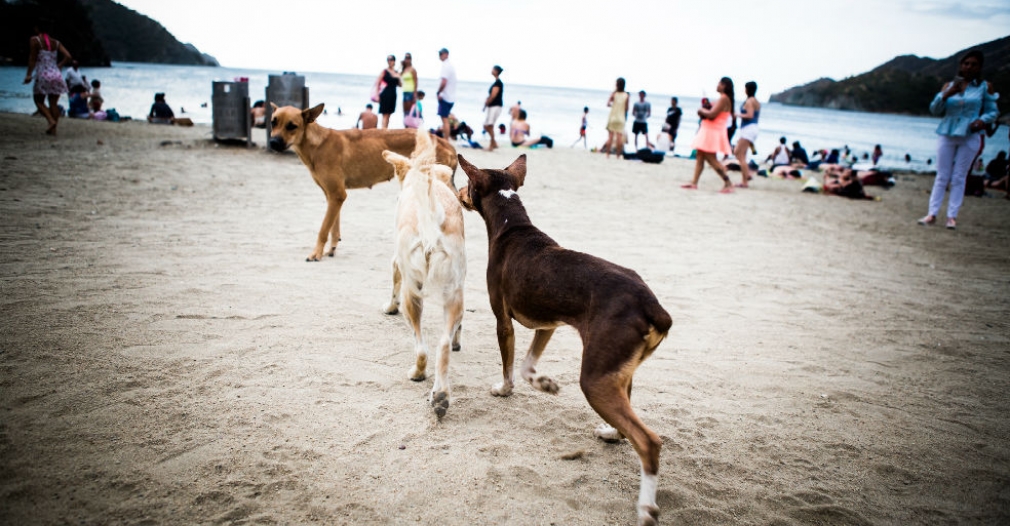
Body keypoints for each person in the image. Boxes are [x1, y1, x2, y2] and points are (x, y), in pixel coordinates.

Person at [918, 49, 999, 230]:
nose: (969, 67)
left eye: (973, 64)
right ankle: (932, 214)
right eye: (966, 63)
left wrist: (982, 120)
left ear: (979, 67)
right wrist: (946, 94)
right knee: (942, 175)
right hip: (947, 132)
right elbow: (935, 109)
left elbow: (993, 111)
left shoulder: (984, 87)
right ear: (961, 65)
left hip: (970, 133)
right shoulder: (949, 85)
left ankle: (952, 216)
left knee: (959, 176)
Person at [682, 77, 735, 193]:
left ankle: (728, 183)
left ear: (724, 86)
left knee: (711, 159)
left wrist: (701, 110)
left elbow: (712, 114)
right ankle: (694, 182)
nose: (717, 85)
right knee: (700, 156)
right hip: (710, 130)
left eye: (719, 83)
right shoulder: (723, 99)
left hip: (713, 131)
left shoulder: (724, 98)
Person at [23, 25, 72, 135]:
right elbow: (68, 56)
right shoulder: (56, 43)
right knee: (53, 103)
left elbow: (32, 58)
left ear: (37, 29)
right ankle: (53, 130)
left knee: (39, 101)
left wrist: (29, 74)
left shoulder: (35, 40)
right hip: (56, 75)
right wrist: (60, 65)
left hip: (42, 74)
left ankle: (50, 121)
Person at [733, 81, 760, 187]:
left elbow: (750, 115)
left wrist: (737, 115)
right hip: (753, 128)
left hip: (748, 128)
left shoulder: (749, 101)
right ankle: (746, 176)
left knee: (738, 153)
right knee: (743, 154)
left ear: (747, 89)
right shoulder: (756, 101)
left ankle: (745, 179)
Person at [435, 47, 458, 142]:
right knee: (445, 119)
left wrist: (439, 92)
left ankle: (446, 140)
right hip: (451, 97)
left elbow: (444, 81)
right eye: (439, 54)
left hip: (446, 97)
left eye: (441, 54)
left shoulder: (446, 66)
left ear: (446, 54)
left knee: (445, 120)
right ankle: (446, 139)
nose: (439, 56)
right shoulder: (450, 66)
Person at [375, 54, 401, 129]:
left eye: (391, 59)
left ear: (394, 61)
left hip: (393, 94)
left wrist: (399, 77)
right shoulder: (384, 71)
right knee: (385, 114)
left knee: (389, 114)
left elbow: (400, 85)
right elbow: (378, 83)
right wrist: (377, 95)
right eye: (388, 60)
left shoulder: (396, 72)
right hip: (385, 94)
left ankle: (385, 129)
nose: (389, 61)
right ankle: (383, 130)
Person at [605, 77, 629, 159]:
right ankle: (618, 155)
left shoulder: (614, 94)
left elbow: (608, 104)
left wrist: (614, 106)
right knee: (619, 137)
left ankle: (607, 154)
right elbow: (627, 108)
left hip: (613, 117)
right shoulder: (626, 95)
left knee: (610, 137)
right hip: (621, 118)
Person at [482, 65, 504, 151]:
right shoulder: (496, 82)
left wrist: (487, 102)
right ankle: (494, 142)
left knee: (489, 125)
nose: (491, 70)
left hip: (495, 106)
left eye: (493, 69)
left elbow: (493, 95)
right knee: (486, 125)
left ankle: (492, 145)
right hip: (492, 106)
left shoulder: (498, 83)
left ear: (496, 71)